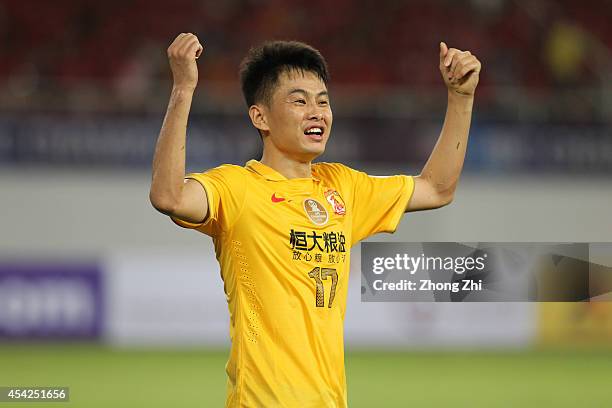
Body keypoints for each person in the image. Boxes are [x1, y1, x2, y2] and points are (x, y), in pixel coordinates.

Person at [149, 32, 481, 408]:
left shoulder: (343, 187)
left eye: (323, 102)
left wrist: (461, 98)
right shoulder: (236, 188)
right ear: (260, 117)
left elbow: (437, 189)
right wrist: (183, 88)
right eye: (299, 101)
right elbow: (168, 195)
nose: (317, 112)